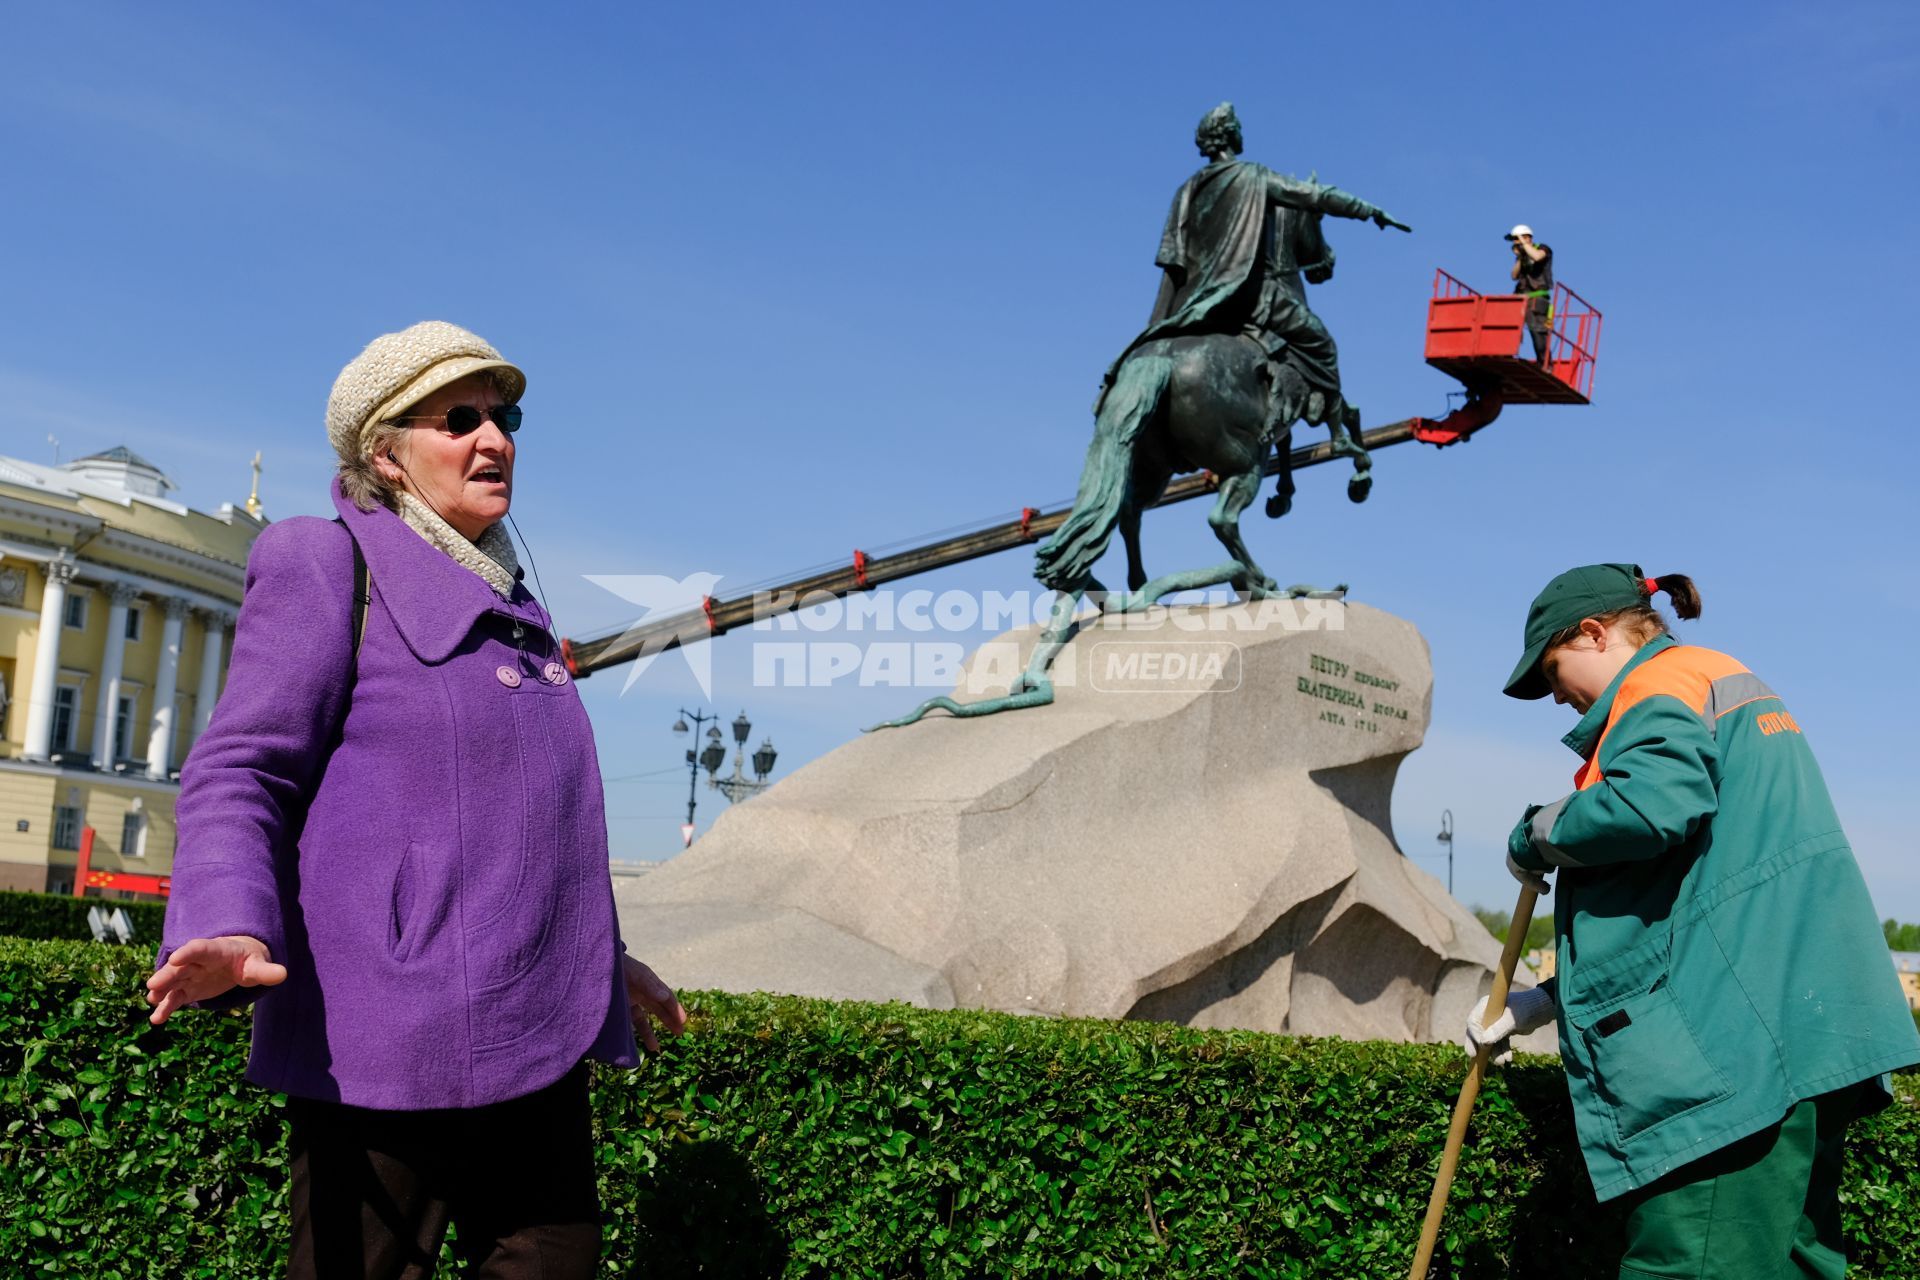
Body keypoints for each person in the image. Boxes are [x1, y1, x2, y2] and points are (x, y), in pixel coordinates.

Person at [146, 320, 688, 1279]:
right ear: (384, 455)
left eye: (505, 414)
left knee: (556, 1258)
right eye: (461, 417)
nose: (495, 438)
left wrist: (604, 957)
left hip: (537, 1030)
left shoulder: (514, 608)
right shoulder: (325, 562)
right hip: (384, 1033)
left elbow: (531, 820)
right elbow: (243, 767)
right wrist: (230, 920)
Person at [1466, 563, 1920, 1278]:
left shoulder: (1657, 684)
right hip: (1807, 1038)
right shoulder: (1718, 677)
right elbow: (1700, 899)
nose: (1555, 697)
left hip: (1738, 1062)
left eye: (1553, 671)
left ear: (1595, 632)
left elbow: (1651, 805)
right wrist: (1545, 1003)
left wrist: (1535, 831)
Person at [1506, 224, 1553, 366]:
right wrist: (1520, 258)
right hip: (1520, 297)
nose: (1515, 242)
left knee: (1537, 331)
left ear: (1527, 237)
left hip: (1537, 298)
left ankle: (1544, 364)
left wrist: (1525, 245)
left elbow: (1538, 257)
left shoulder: (1543, 249)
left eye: (1517, 238)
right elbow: (1514, 275)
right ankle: (1509, 354)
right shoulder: (1523, 256)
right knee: (1509, 326)